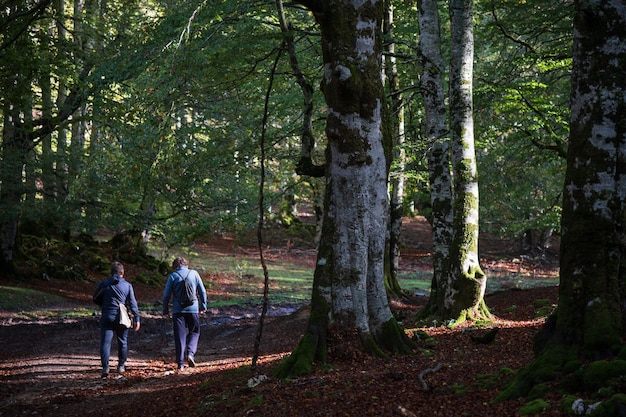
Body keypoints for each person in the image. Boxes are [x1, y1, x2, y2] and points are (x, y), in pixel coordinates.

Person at [93, 261, 141, 378]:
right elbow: (133, 303)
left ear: (111, 272)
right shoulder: (128, 285)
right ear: (122, 273)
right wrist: (137, 318)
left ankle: (105, 367)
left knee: (105, 342)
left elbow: (95, 298)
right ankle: (121, 365)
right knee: (122, 341)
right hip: (122, 316)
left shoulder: (104, 283)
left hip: (107, 315)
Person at [162, 256, 207, 370]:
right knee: (194, 332)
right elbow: (202, 291)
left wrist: (165, 309)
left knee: (179, 336)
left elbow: (166, 295)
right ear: (186, 264)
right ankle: (190, 353)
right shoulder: (194, 274)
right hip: (193, 309)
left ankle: (180, 364)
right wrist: (203, 305)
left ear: (175, 266)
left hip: (178, 310)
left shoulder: (172, 276)